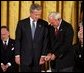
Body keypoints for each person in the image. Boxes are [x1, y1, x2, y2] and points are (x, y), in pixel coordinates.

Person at [15, 3, 48, 72]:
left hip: (38, 59)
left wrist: (43, 55)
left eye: (39, 14)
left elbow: (45, 40)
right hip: (24, 58)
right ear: (31, 13)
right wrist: (17, 55)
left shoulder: (44, 23)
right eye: (36, 14)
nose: (38, 17)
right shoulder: (21, 23)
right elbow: (18, 40)